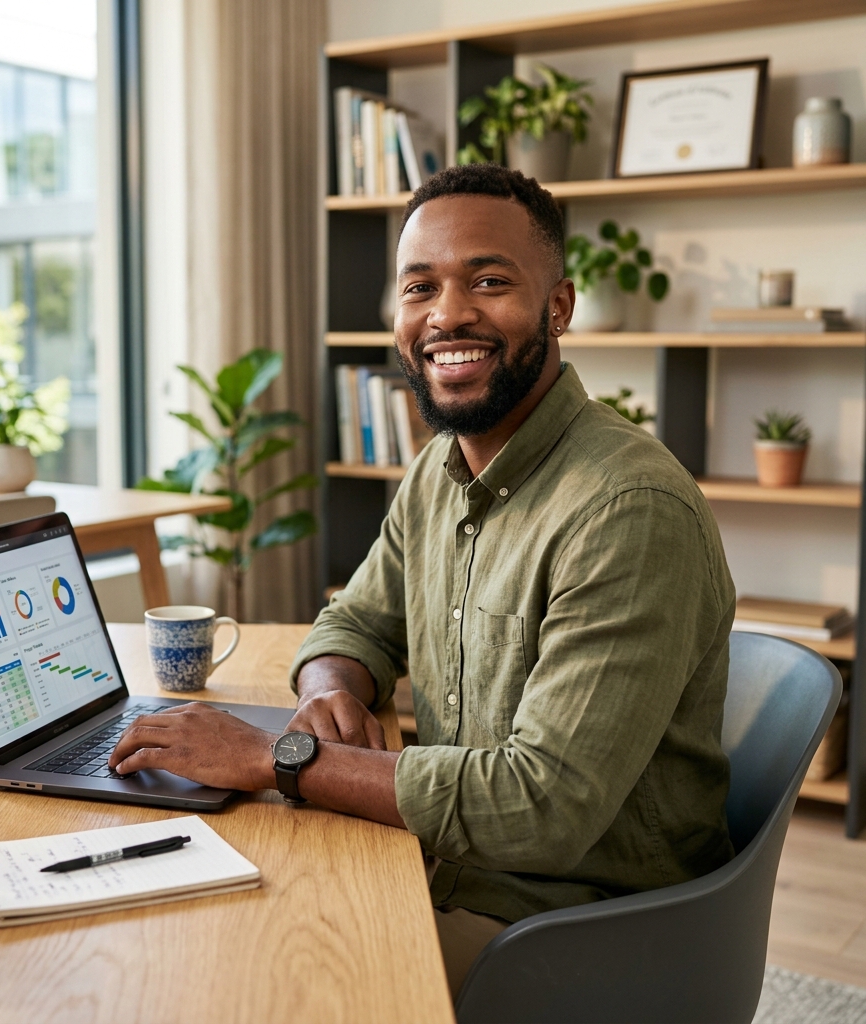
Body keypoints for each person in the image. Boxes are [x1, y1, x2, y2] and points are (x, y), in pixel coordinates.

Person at [109, 164, 736, 997]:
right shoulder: (441, 469)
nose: (447, 315)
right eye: (419, 287)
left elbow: (540, 808)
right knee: (185, 920)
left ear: (557, 307)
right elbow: (357, 623)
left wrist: (278, 756)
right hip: (441, 863)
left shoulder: (627, 510)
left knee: (249, 976)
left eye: (489, 281)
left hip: (572, 926)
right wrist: (330, 690)